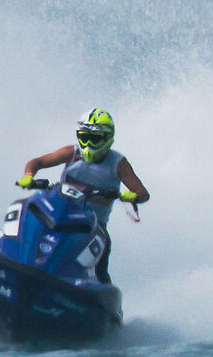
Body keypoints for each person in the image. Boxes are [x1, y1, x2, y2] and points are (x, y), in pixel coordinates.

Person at [19, 108, 148, 282]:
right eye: (84, 137)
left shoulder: (118, 163)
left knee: (103, 248)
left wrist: (132, 196)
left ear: (108, 138)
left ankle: (100, 286)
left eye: (94, 139)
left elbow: (142, 193)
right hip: (60, 213)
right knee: (28, 211)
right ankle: (10, 251)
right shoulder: (71, 153)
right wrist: (28, 176)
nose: (88, 144)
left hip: (94, 225)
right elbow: (37, 162)